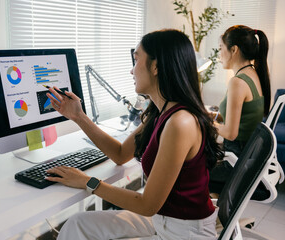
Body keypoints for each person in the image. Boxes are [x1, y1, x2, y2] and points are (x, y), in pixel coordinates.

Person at [46, 29, 223, 240]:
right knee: (77, 224)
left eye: (136, 60)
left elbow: (147, 204)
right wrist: (78, 117)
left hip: (184, 233)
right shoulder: (161, 112)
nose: (132, 71)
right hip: (162, 219)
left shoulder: (180, 122)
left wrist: (88, 182)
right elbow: (120, 154)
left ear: (156, 67)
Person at [209, 25, 271, 197]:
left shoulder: (238, 82)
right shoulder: (252, 74)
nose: (219, 54)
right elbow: (243, 116)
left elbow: (230, 133)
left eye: (221, 48)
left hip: (235, 161)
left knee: (186, 169)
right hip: (246, 156)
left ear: (234, 49)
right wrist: (215, 118)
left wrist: (209, 123)